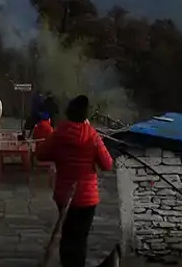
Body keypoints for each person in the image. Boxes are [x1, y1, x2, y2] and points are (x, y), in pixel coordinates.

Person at [34, 95, 113, 267]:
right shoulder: (92, 136)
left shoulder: (58, 134)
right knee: (80, 237)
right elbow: (107, 164)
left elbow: (40, 154)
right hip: (87, 197)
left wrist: (59, 156)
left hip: (64, 194)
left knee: (67, 234)